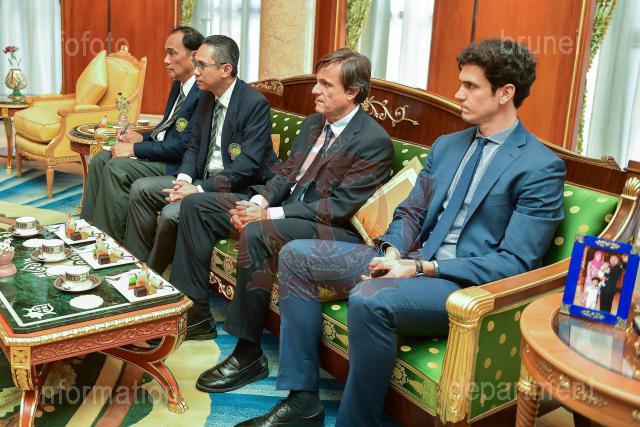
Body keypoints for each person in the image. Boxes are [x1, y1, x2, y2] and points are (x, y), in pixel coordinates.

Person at [236, 39, 566, 427]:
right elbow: (411, 211)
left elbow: (515, 263)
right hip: (406, 261)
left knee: (369, 297)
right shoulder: (448, 145)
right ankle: (303, 400)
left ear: (505, 93)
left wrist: (421, 268)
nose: (458, 94)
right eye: (460, 83)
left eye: (470, 86)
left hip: (458, 284)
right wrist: (391, 254)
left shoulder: (539, 167)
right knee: (296, 255)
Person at [169, 48, 394, 385]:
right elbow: (286, 173)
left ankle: (248, 354)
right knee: (196, 206)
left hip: (329, 228)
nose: (315, 90)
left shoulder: (373, 141)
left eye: (326, 84)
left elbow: (337, 207)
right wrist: (256, 202)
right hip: (285, 209)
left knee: (258, 233)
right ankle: (197, 313)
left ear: (352, 92)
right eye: (316, 82)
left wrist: (267, 215)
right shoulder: (314, 122)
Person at [125, 35, 278, 281]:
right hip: (200, 179)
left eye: (202, 65)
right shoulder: (206, 95)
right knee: (142, 189)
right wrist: (183, 180)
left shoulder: (254, 103)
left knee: (172, 213)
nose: (195, 71)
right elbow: (194, 145)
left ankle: (149, 277)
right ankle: (133, 261)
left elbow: (246, 166)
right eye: (196, 64)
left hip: (235, 188)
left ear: (226, 69)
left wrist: (197, 190)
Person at [80, 26, 203, 243]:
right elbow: (166, 130)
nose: (165, 60)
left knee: (117, 167)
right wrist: (140, 138)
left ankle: (108, 243)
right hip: (165, 153)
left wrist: (134, 149)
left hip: (177, 164)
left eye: (172, 53)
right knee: (100, 159)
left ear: (194, 56)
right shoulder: (179, 85)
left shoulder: (202, 91)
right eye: (165, 53)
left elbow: (181, 146)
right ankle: (86, 233)